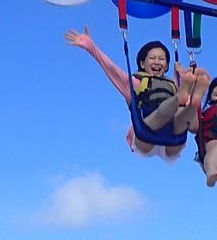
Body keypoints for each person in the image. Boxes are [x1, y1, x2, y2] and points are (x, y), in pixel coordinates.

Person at [64, 26, 208, 161]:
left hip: (171, 139)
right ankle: (184, 96)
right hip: (146, 133)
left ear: (166, 67)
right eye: (152, 58)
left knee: (182, 115)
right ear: (142, 63)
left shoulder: (172, 85)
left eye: (161, 59)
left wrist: (184, 82)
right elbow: (111, 69)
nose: (157, 62)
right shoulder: (135, 83)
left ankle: (191, 97)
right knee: (163, 112)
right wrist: (91, 47)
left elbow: (193, 127)